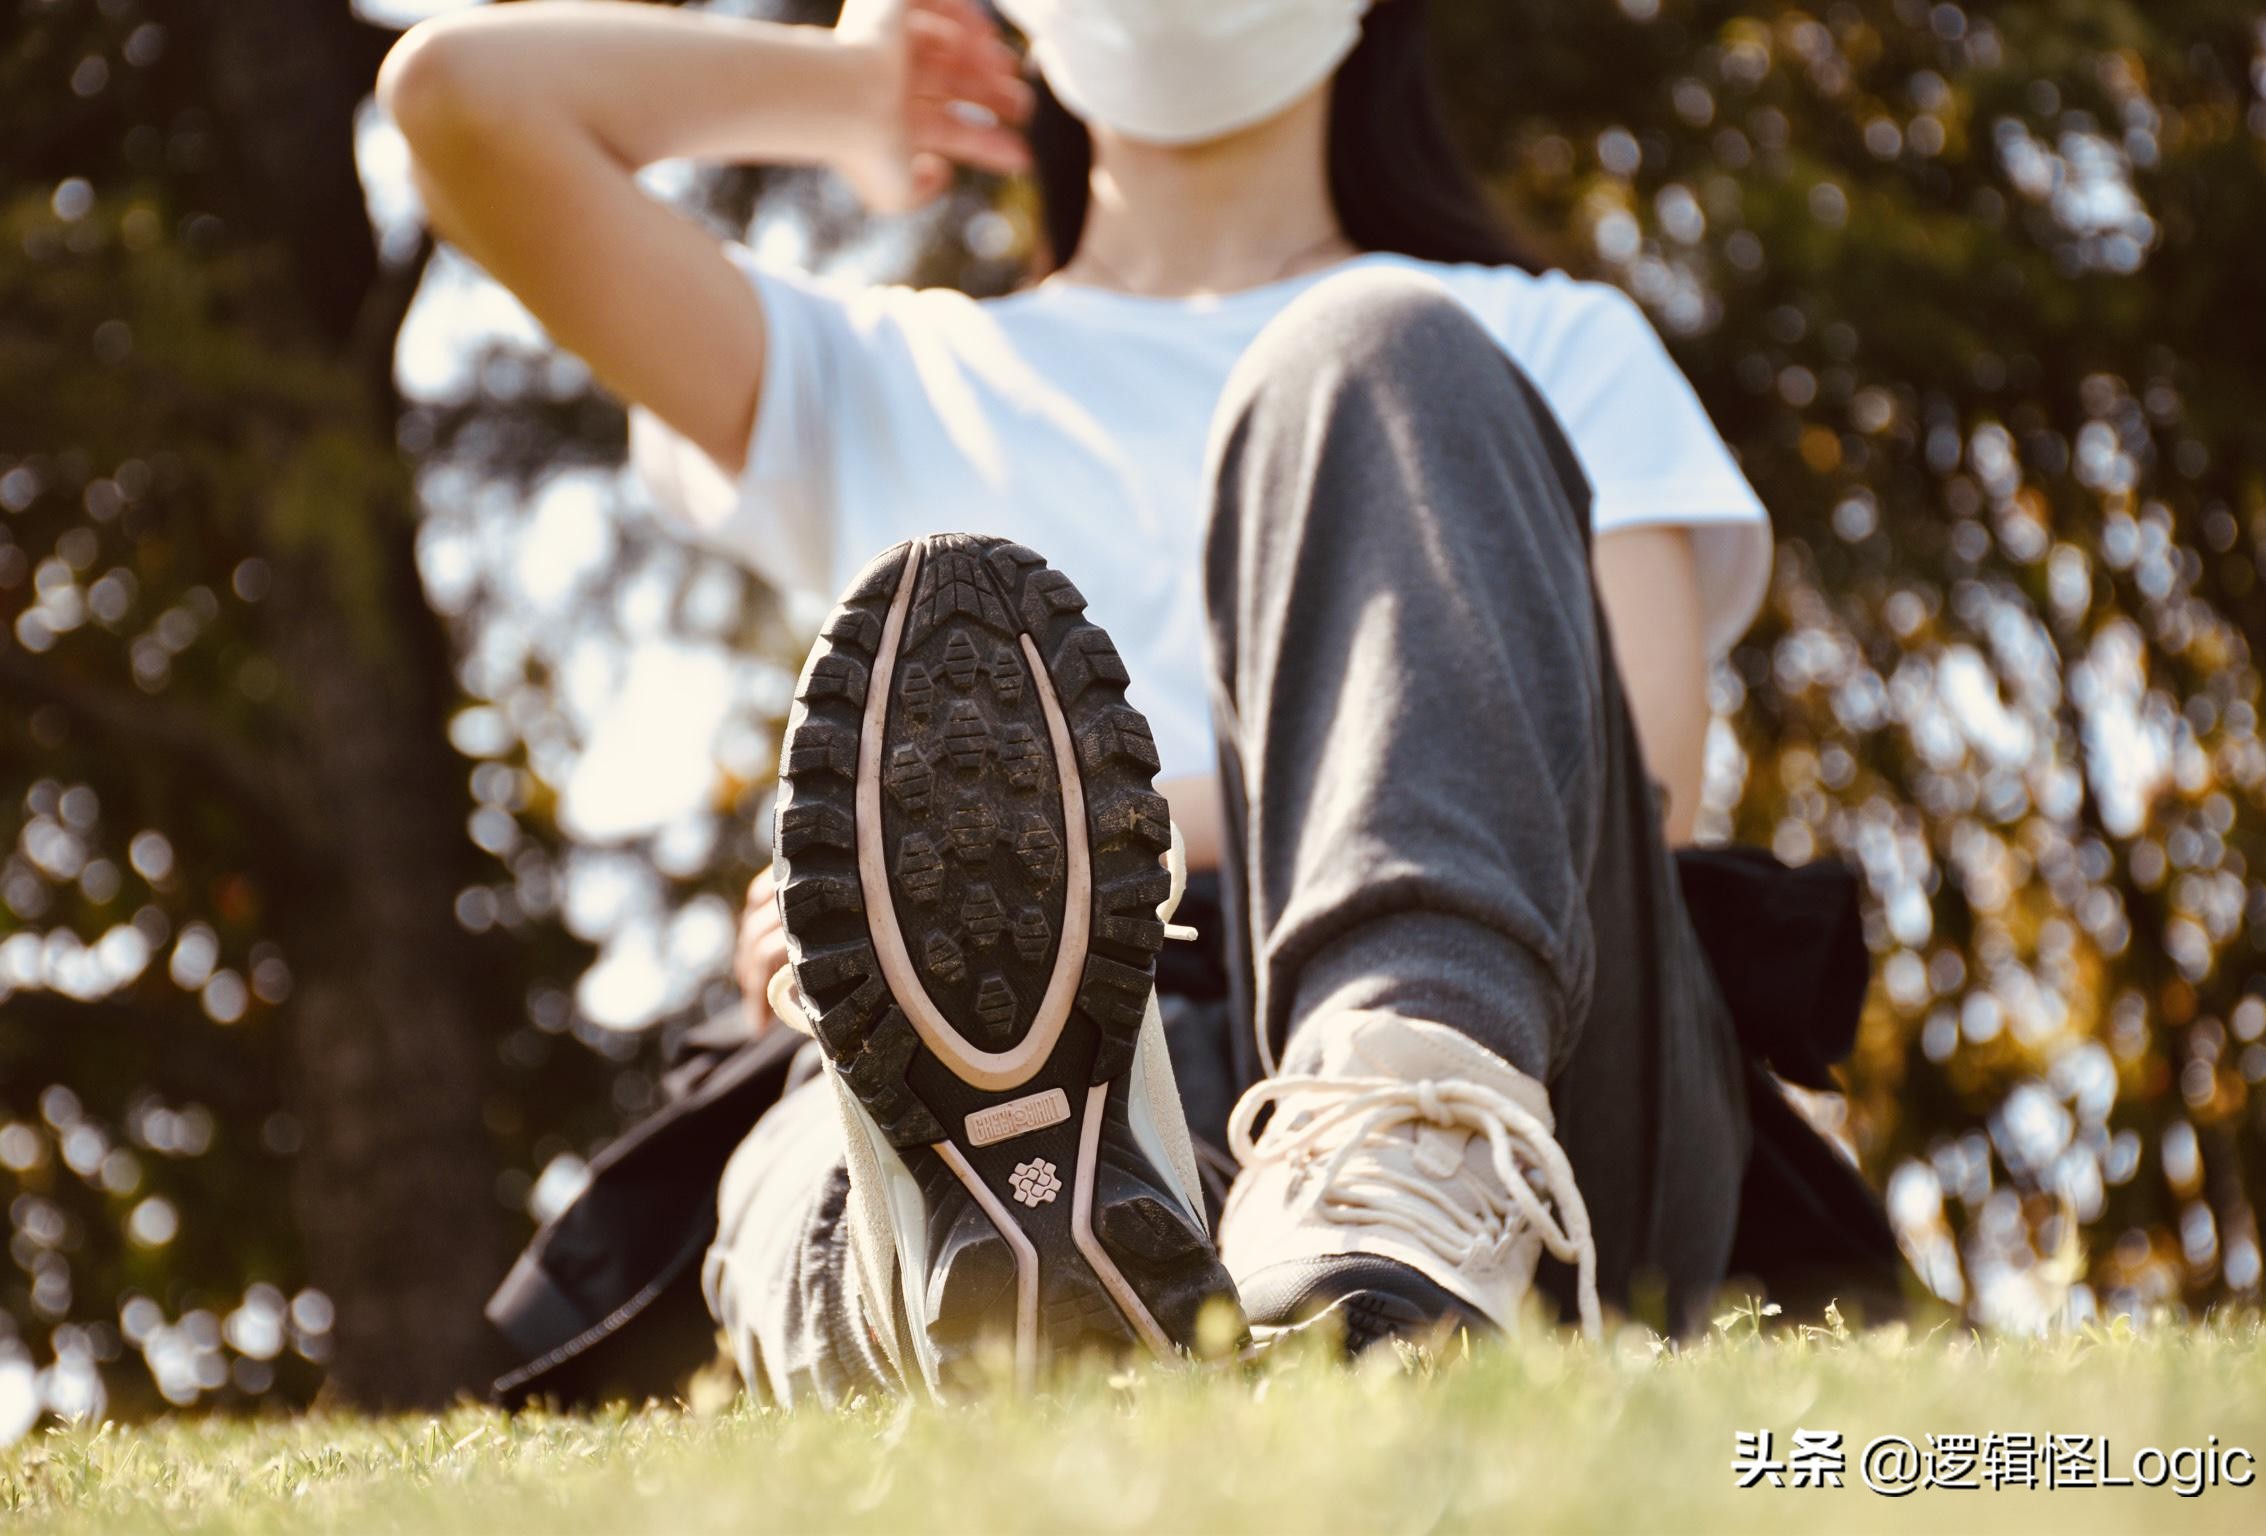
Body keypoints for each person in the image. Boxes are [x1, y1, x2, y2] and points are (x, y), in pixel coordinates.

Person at [385, 0, 1893, 1406]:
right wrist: (851, 90)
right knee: (830, 1126)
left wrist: (1050, 836)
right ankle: (937, 1293)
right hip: (998, 1082)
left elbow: (1622, 797)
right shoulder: (891, 367)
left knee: (1377, 345)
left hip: (1504, 1055)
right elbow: (460, 101)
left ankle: (1403, 1203)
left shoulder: (1543, 339)